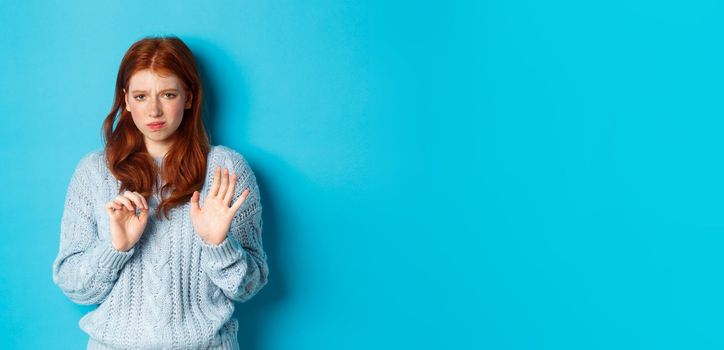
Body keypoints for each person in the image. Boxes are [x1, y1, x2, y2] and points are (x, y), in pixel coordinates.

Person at [51, 35, 269, 350]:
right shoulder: (95, 172)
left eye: (168, 94)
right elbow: (74, 287)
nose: (154, 110)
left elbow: (248, 287)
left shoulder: (225, 169)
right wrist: (115, 247)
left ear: (190, 97)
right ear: (126, 100)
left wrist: (218, 244)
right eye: (141, 96)